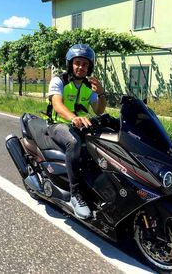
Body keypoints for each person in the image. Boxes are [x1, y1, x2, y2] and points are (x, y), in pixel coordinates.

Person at [48, 44, 107, 219]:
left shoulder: (89, 86)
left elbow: (98, 110)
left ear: (89, 67)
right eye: (77, 63)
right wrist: (73, 118)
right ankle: (75, 195)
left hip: (82, 125)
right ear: (70, 64)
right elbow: (57, 104)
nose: (81, 67)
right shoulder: (60, 80)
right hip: (59, 125)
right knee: (73, 143)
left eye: (85, 64)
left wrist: (102, 94)